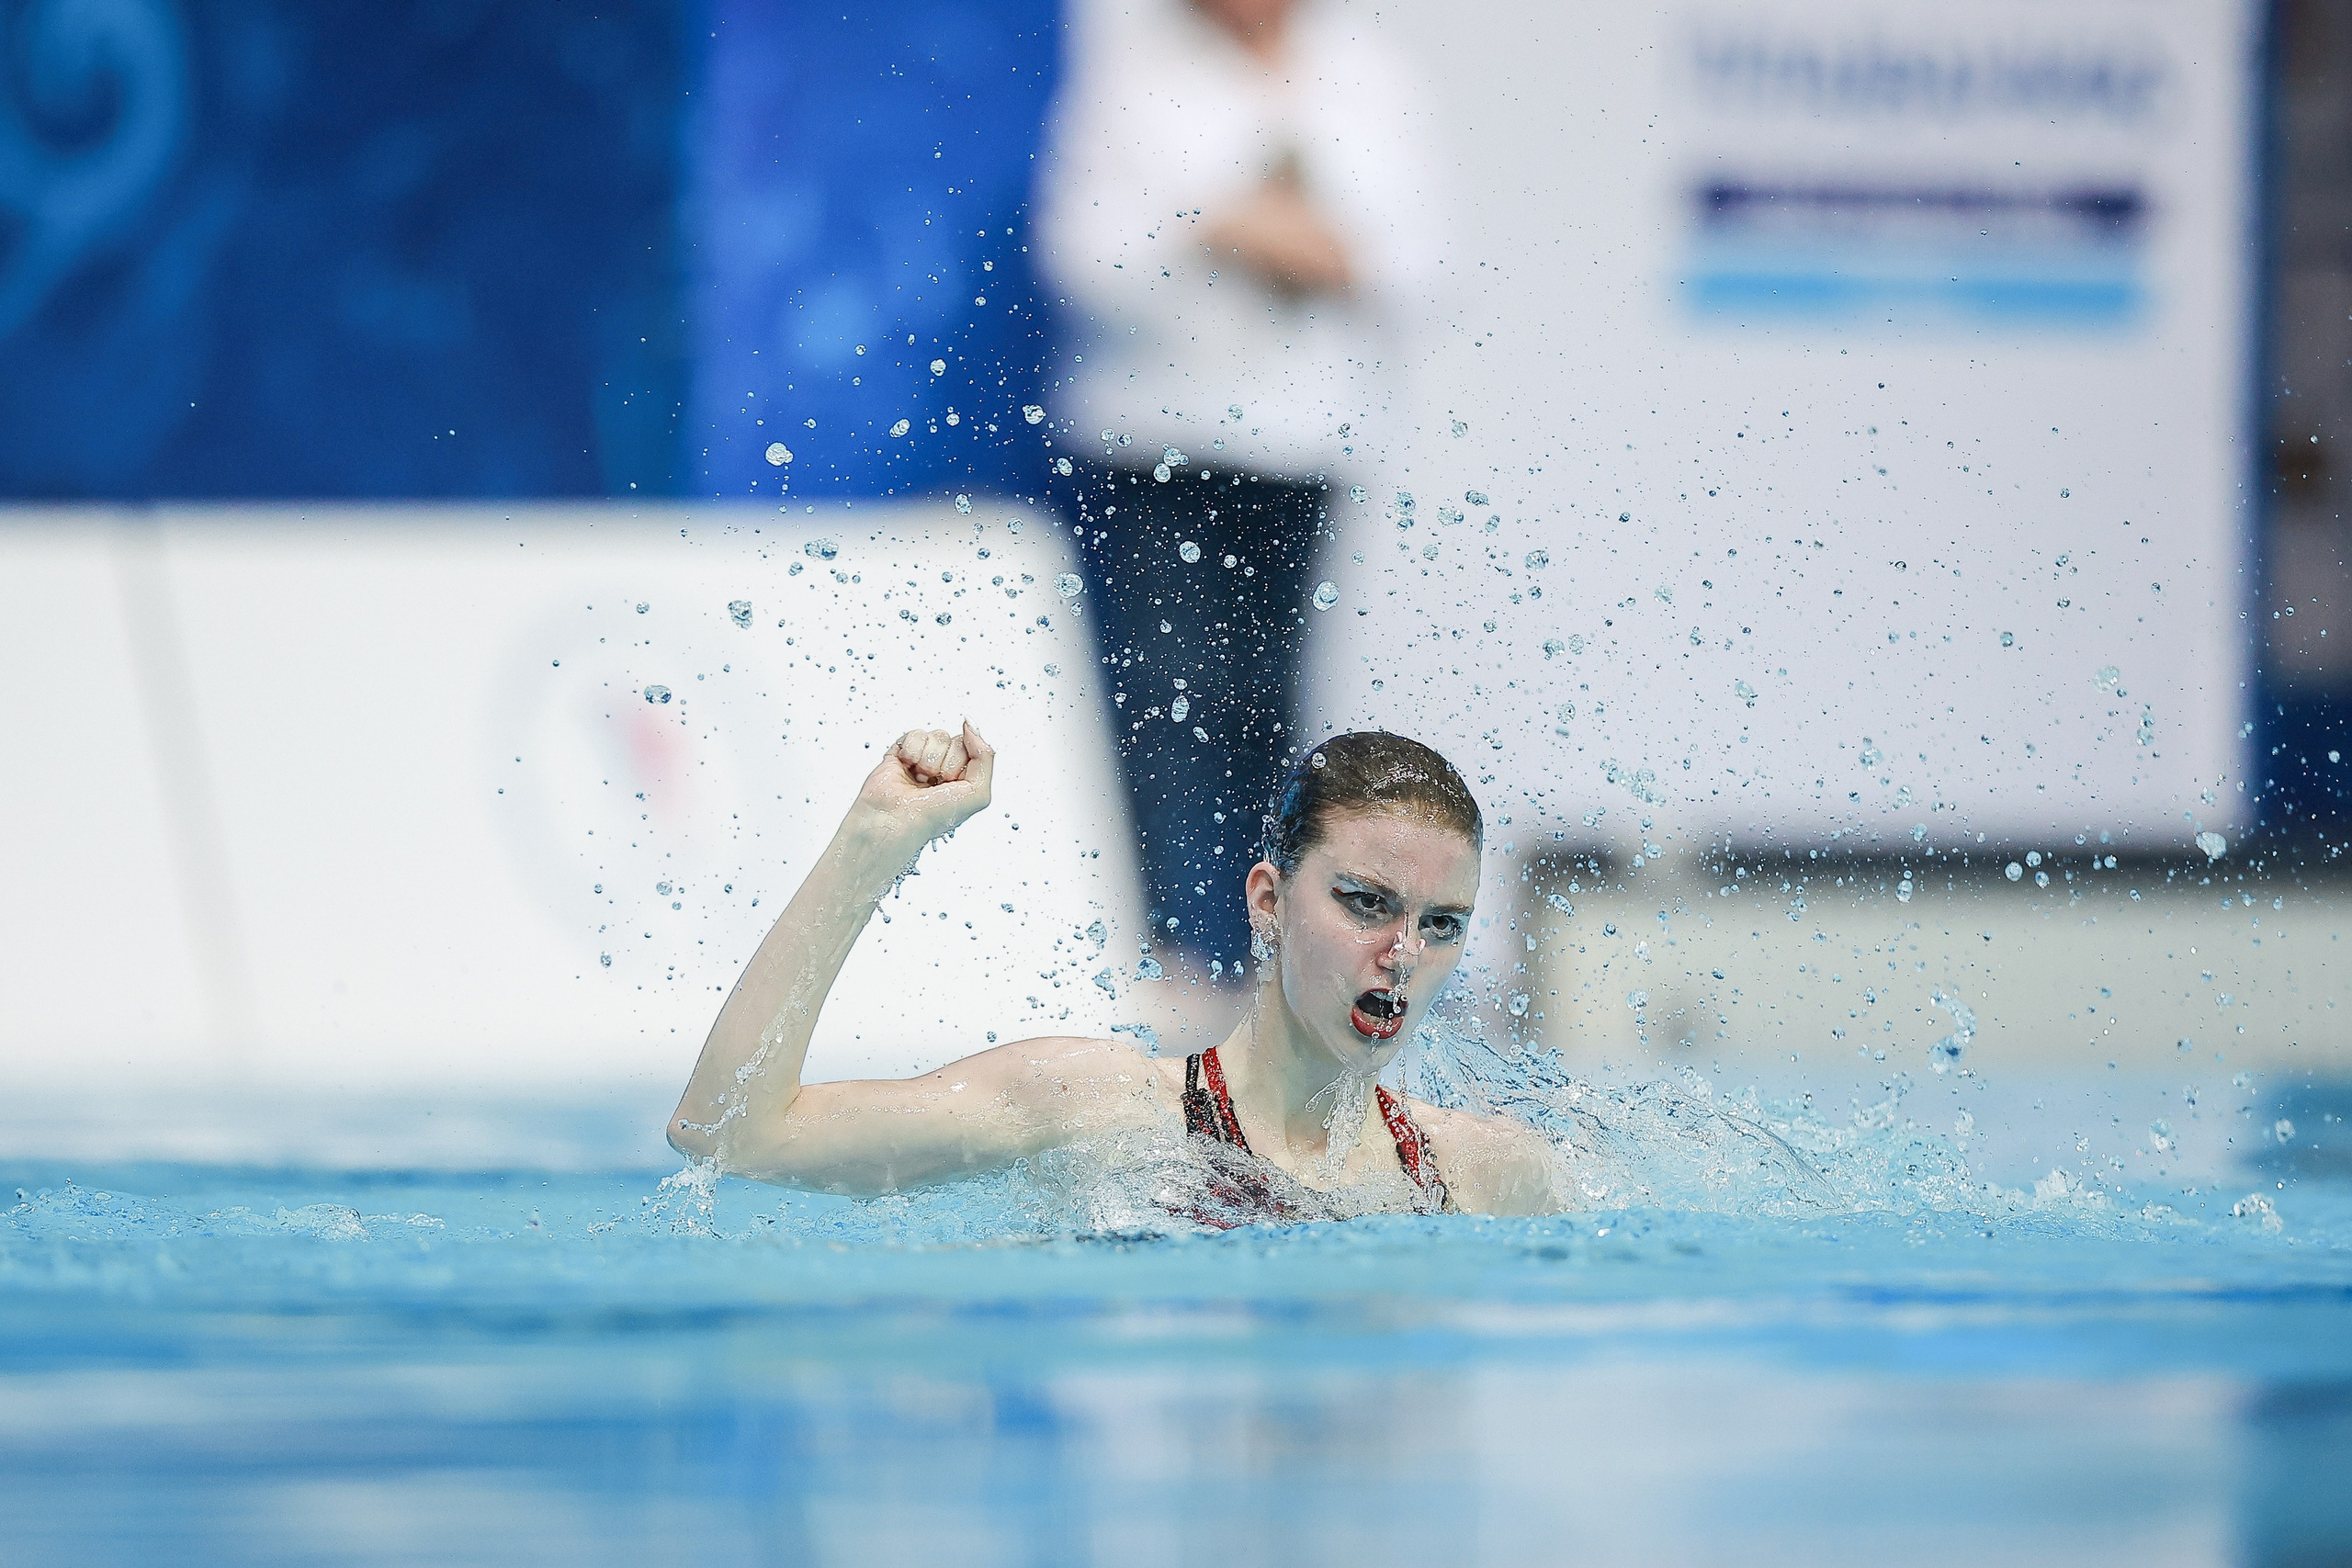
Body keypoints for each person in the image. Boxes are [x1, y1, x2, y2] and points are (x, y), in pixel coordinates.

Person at [667, 725, 1566, 1220]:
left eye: (1442, 924)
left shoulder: (1489, 1177)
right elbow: (732, 1133)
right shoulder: (1098, 1108)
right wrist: (871, 846)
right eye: (1366, 903)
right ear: (1267, 902)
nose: (1405, 953)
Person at [1034, 0, 1442, 981]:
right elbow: (1079, 258)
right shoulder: (1131, 69)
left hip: (1303, 446)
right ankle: (1172, 959)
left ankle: (1269, 964)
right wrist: (1216, 230)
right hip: (1159, 445)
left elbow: (1428, 261)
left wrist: (1335, 254)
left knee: (1270, 709)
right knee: (1165, 707)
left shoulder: (1368, 68)